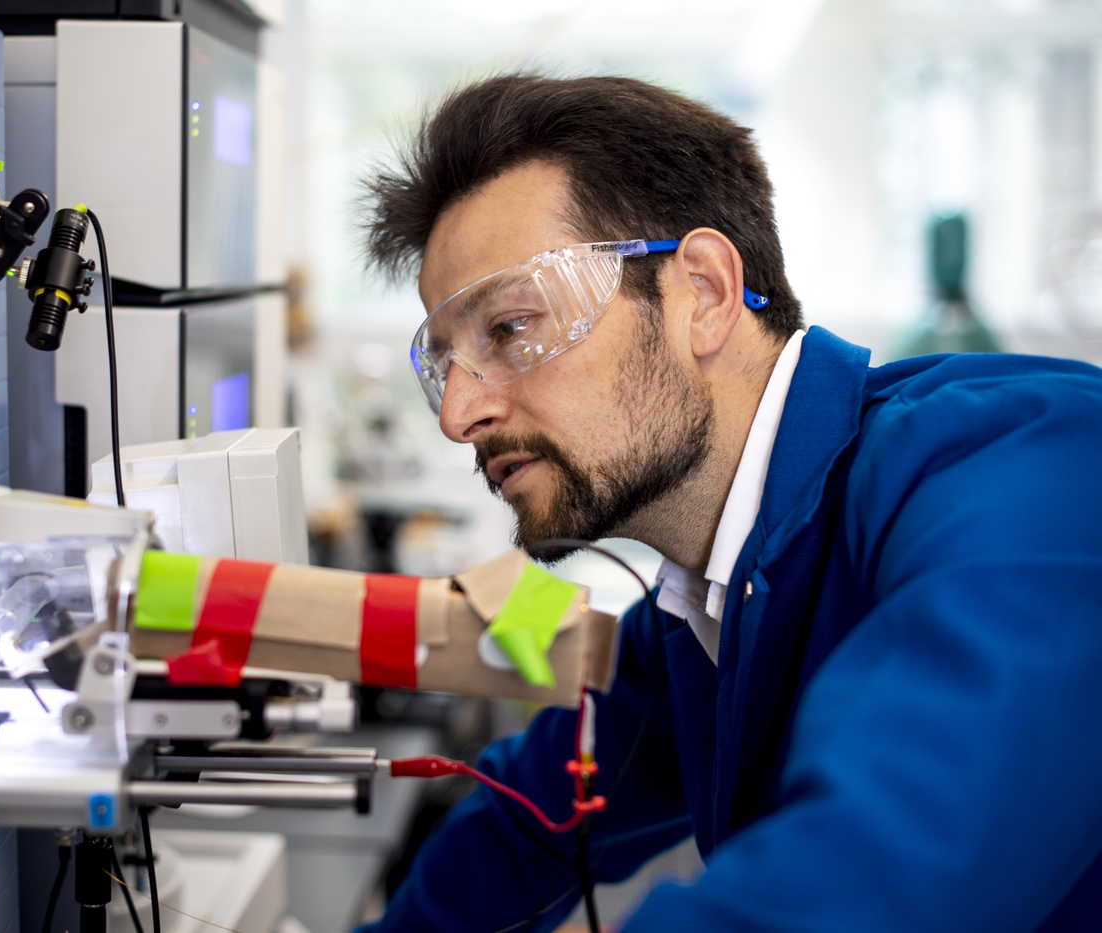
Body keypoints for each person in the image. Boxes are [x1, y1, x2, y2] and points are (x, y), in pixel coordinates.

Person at [356, 75, 1102, 932]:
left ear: (703, 293)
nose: (460, 414)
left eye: (512, 327)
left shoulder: (1025, 466)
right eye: (444, 362)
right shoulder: (706, 606)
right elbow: (527, 825)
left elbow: (863, 881)